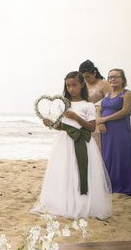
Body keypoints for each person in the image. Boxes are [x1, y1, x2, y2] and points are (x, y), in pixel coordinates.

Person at [32, 71, 112, 219]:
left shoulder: (88, 105)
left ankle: (81, 203)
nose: (71, 89)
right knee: (65, 171)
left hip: (82, 143)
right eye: (68, 85)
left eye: (74, 85)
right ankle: (64, 202)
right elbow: (61, 126)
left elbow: (91, 127)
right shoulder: (63, 104)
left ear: (82, 85)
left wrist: (76, 117)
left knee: (79, 171)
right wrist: (51, 124)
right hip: (65, 143)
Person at [98, 69, 131, 196]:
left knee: (122, 156)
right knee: (108, 156)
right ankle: (111, 185)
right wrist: (99, 122)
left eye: (116, 77)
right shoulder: (107, 95)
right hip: (106, 132)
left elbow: (125, 111)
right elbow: (99, 109)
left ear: (123, 79)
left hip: (121, 131)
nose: (112, 79)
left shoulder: (127, 94)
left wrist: (105, 119)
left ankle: (126, 187)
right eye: (110, 77)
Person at [79, 60, 111, 151]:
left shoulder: (104, 83)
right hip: (84, 119)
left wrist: (101, 121)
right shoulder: (82, 85)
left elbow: (109, 102)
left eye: (87, 76)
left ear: (94, 72)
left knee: (98, 148)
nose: (86, 79)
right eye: (83, 77)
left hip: (98, 119)